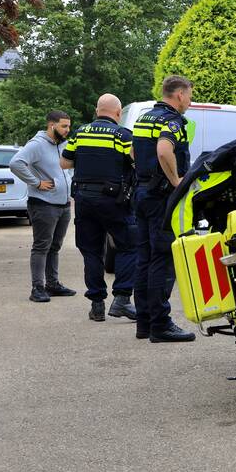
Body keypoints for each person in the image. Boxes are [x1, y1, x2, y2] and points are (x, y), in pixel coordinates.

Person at [60, 94, 138, 322]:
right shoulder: (122, 135)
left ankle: (97, 305)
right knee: (128, 246)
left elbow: (64, 162)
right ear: (118, 113)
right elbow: (136, 162)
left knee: (92, 251)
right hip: (114, 202)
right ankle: (122, 299)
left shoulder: (81, 133)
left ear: (97, 111)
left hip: (84, 200)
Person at [132, 75, 195, 342]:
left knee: (144, 258)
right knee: (162, 260)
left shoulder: (144, 118)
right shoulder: (173, 121)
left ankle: (144, 323)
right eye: (189, 95)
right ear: (179, 94)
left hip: (142, 193)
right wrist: (176, 181)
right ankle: (160, 324)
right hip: (160, 198)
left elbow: (133, 153)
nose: (190, 101)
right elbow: (163, 150)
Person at [10, 111, 76, 302]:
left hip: (63, 204)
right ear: (51, 125)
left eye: (69, 126)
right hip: (43, 204)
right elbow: (15, 163)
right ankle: (37, 288)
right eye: (64, 126)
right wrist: (36, 183)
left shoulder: (62, 144)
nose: (67, 130)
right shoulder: (37, 144)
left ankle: (52, 284)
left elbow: (67, 168)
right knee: (42, 246)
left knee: (55, 246)